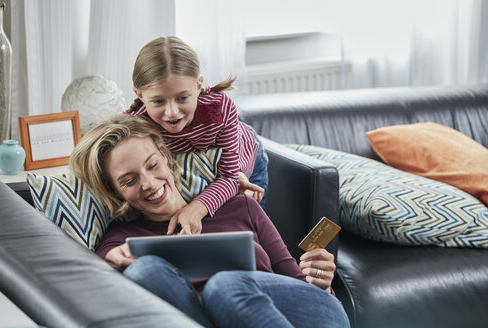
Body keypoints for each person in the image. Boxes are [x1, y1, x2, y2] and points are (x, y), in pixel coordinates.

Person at [69, 115, 350, 328]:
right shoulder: (121, 238)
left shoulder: (241, 206)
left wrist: (322, 283)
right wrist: (109, 264)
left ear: (165, 159)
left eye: (153, 165)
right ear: (114, 191)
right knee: (144, 270)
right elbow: (100, 284)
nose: (148, 183)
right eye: (129, 180)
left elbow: (297, 283)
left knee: (225, 285)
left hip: (304, 314)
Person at [125, 36, 269, 236]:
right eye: (158, 101)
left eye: (182, 98)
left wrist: (195, 207)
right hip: (204, 174)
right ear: (140, 95)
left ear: (198, 85)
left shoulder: (220, 109)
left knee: (253, 234)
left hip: (244, 161)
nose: (172, 112)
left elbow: (229, 177)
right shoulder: (137, 126)